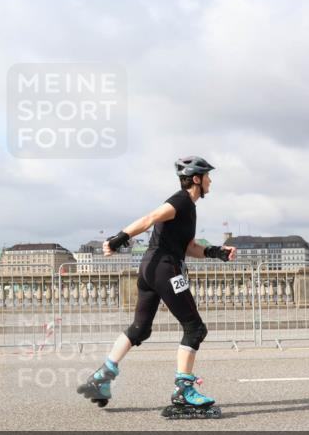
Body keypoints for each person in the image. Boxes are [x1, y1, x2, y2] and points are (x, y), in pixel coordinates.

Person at [76, 156, 236, 417]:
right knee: (195, 329)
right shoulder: (181, 200)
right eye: (207, 176)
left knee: (140, 329)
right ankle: (184, 390)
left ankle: (102, 376)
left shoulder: (188, 208)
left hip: (150, 268)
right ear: (196, 179)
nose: (210, 180)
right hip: (165, 269)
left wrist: (217, 251)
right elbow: (150, 217)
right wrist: (119, 238)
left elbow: (189, 247)